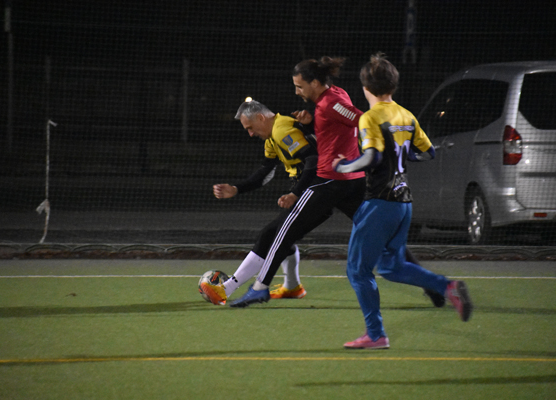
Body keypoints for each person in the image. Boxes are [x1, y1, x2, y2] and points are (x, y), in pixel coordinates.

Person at [332, 53, 473, 349]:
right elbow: (428, 152)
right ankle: (447, 287)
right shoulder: (406, 115)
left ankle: (376, 335)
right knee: (391, 268)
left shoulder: (370, 117)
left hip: (379, 203)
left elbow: (372, 157)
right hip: (403, 203)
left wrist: (344, 166)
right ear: (393, 86)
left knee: (358, 271)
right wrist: (402, 155)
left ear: (365, 87)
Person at [227, 56, 369, 307]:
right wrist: (312, 124)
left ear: (314, 83)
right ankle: (435, 284)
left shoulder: (328, 103)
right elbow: (336, 131)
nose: (296, 91)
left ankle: (253, 288)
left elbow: (362, 121)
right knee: (378, 232)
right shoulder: (332, 98)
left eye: (299, 86)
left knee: (279, 233)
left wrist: (380, 149)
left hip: (329, 180)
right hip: (348, 179)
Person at [202, 99, 318, 305]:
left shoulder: (282, 130)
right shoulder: (272, 138)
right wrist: (237, 189)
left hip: (318, 186)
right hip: (312, 186)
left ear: (261, 118)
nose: (250, 133)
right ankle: (292, 286)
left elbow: (313, 159)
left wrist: (296, 192)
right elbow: (266, 172)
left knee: (270, 235)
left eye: (250, 127)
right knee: (282, 235)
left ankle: (226, 288)